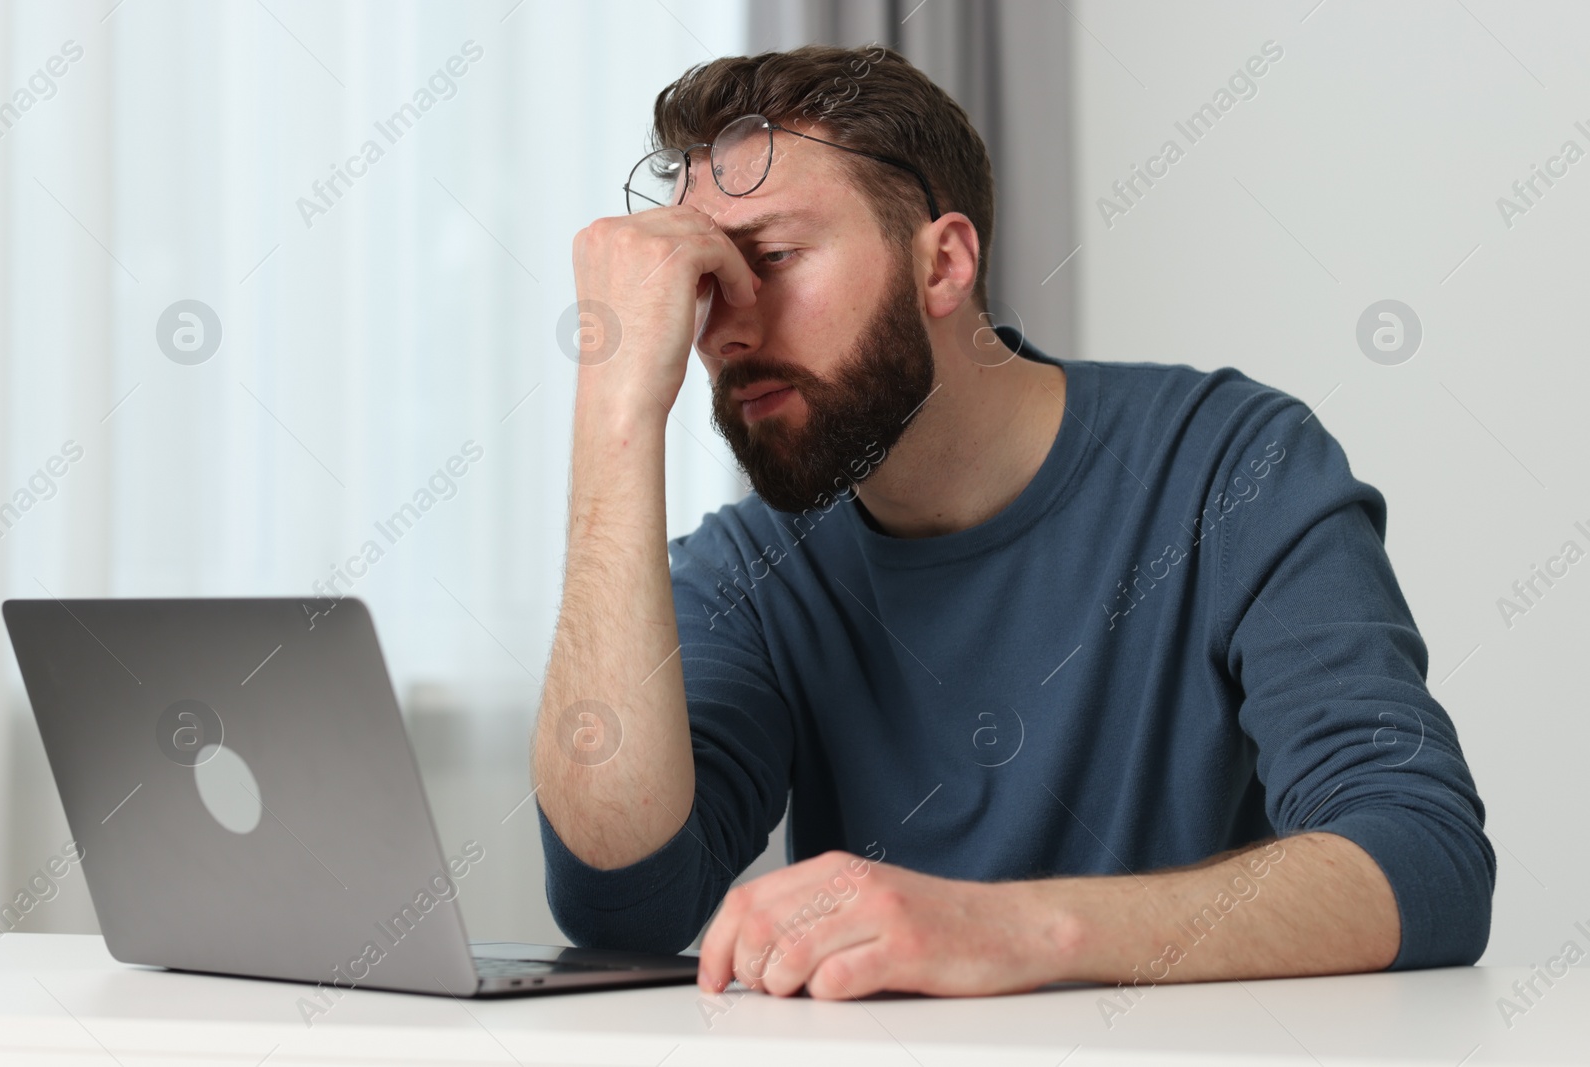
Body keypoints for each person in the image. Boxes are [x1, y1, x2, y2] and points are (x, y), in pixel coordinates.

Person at [531, 44, 1493, 1002]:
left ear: (944, 263)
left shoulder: (1231, 466)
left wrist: (1002, 930)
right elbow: (623, 908)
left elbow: (1424, 859)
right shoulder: (750, 568)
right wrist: (615, 409)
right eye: (701, 286)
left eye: (772, 259)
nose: (725, 327)